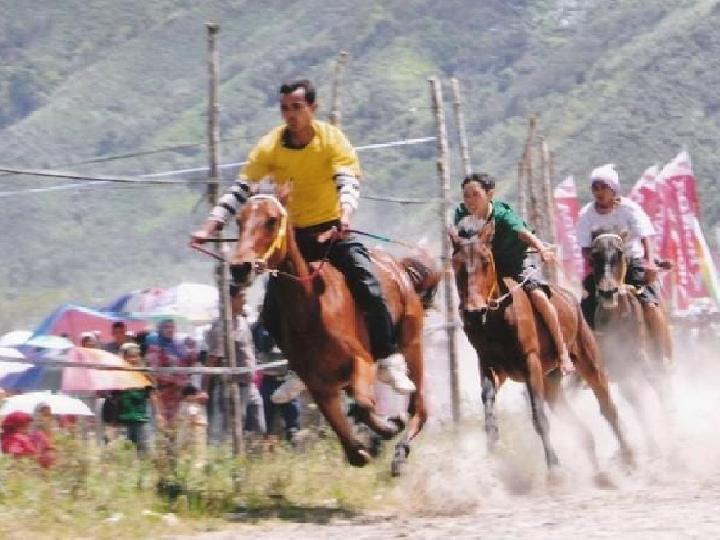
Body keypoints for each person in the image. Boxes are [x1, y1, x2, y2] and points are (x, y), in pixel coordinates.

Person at [190, 79, 415, 397]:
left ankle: (388, 357)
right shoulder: (270, 146)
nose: (290, 114)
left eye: (297, 107)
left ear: (313, 108)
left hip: (331, 230)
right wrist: (210, 226)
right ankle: (299, 366)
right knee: (270, 312)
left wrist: (345, 215)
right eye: (284, 108)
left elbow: (347, 181)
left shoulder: (331, 139)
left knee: (368, 285)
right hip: (292, 236)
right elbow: (241, 188)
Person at [452, 173, 575, 374]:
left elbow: (523, 233)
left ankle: (562, 353)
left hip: (514, 264)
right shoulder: (461, 214)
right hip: (484, 267)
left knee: (539, 296)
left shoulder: (502, 215)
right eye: (466, 195)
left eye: (475, 194)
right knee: (467, 303)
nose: (470, 200)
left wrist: (541, 249)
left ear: (489, 194)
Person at [576, 164, 660, 328]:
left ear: (613, 189)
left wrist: (649, 262)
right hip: (601, 265)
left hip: (631, 261)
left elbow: (645, 235)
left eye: (603, 187)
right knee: (585, 308)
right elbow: (585, 247)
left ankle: (660, 349)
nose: (599, 192)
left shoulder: (629, 209)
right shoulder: (586, 215)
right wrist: (597, 262)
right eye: (595, 187)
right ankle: (587, 346)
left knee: (649, 304)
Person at [204, 285, 266, 438]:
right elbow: (212, 358)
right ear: (231, 299)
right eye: (242, 296)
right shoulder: (221, 326)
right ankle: (234, 457)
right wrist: (204, 388)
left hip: (249, 382)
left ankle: (254, 456)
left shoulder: (242, 321)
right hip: (233, 384)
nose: (245, 300)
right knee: (234, 425)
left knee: (259, 424)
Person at [252, 311, 300, 444]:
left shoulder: (288, 327)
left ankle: (292, 448)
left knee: (293, 424)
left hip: (286, 381)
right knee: (266, 424)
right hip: (268, 380)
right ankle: (268, 452)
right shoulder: (258, 328)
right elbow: (260, 347)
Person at [116, 342, 165, 454]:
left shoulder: (144, 375)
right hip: (123, 421)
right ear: (123, 357)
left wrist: (158, 414)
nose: (133, 359)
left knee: (145, 453)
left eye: (136, 356)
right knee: (125, 454)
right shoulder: (118, 375)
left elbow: (152, 394)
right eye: (130, 356)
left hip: (141, 419)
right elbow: (114, 396)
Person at [145, 319, 190, 425]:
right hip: (162, 393)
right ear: (160, 329)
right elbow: (154, 372)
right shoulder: (155, 348)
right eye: (166, 327)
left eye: (172, 327)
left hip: (178, 393)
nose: (170, 330)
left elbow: (185, 367)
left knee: (177, 425)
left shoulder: (179, 347)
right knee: (162, 425)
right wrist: (174, 380)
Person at [177, 385, 208, 466]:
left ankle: (182, 467)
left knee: (182, 453)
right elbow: (193, 419)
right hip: (193, 435)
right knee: (196, 453)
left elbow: (179, 418)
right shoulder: (193, 406)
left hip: (182, 434)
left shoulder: (182, 405)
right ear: (190, 396)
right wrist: (203, 423)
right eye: (195, 395)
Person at [30, 403, 55, 468]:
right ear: (37, 416)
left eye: (49, 415)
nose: (48, 418)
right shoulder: (38, 435)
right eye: (45, 415)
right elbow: (36, 456)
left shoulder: (48, 433)